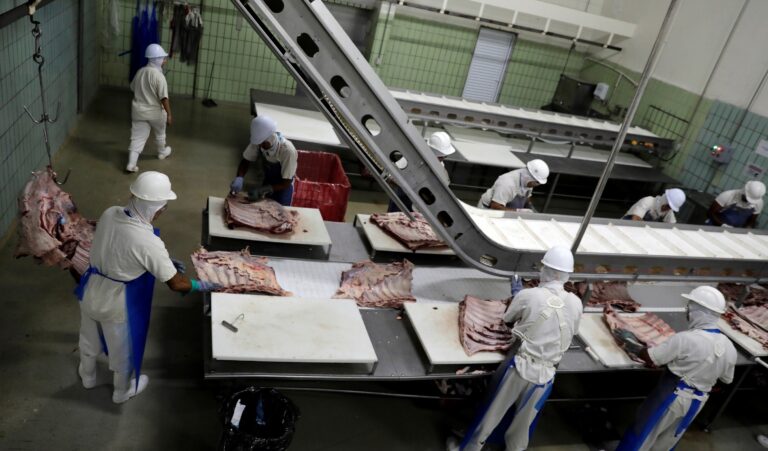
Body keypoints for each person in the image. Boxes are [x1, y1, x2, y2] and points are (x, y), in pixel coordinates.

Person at [74, 171, 219, 404]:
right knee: (122, 350)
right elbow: (176, 284)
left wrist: (161, 261)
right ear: (157, 208)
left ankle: (88, 376)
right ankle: (121, 392)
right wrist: (202, 285)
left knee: (88, 337)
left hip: (90, 290)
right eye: (163, 208)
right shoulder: (148, 242)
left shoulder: (110, 212)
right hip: (116, 303)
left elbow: (117, 246)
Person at [454, 245, 582, 451]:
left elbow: (508, 318)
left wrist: (518, 296)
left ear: (546, 271)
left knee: (489, 417)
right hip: (546, 376)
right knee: (522, 429)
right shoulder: (576, 303)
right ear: (567, 275)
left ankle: (469, 449)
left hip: (519, 369)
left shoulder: (529, 295)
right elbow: (572, 330)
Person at [615, 285, 737, 451]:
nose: (687, 313)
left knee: (643, 434)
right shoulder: (729, 346)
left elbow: (651, 357)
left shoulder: (686, 339)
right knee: (666, 443)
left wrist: (630, 342)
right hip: (698, 402)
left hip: (673, 397)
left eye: (689, 308)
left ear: (696, 311)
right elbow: (726, 380)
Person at [229, 115, 298, 206]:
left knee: (280, 212)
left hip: (283, 188)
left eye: (263, 144)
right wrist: (239, 178)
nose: (260, 146)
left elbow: (286, 183)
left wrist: (263, 190)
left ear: (271, 138)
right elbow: (246, 160)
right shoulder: (258, 141)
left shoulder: (287, 151)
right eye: (259, 143)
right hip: (268, 181)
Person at [126, 44, 173, 173]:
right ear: (157, 59)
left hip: (138, 112)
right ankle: (162, 152)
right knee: (160, 134)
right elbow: (164, 98)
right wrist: (169, 114)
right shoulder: (159, 77)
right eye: (163, 58)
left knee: (137, 138)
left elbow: (132, 87)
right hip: (155, 113)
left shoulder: (140, 72)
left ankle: (131, 164)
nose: (165, 61)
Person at [387, 131, 455, 213]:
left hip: (420, 206)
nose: (442, 159)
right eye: (440, 157)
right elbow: (390, 176)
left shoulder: (440, 165)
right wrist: (408, 187)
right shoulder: (412, 158)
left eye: (444, 157)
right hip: (402, 200)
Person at [477, 159, 549, 211]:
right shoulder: (507, 183)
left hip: (508, 209)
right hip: (488, 210)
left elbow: (527, 196)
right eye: (537, 182)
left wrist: (530, 207)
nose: (537, 185)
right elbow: (495, 206)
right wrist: (517, 212)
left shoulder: (529, 181)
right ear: (529, 177)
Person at [622, 188, 686, 224]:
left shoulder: (668, 211)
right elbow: (635, 219)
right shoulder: (648, 201)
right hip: (626, 224)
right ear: (664, 199)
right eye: (668, 206)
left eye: (670, 208)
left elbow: (673, 226)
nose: (667, 209)